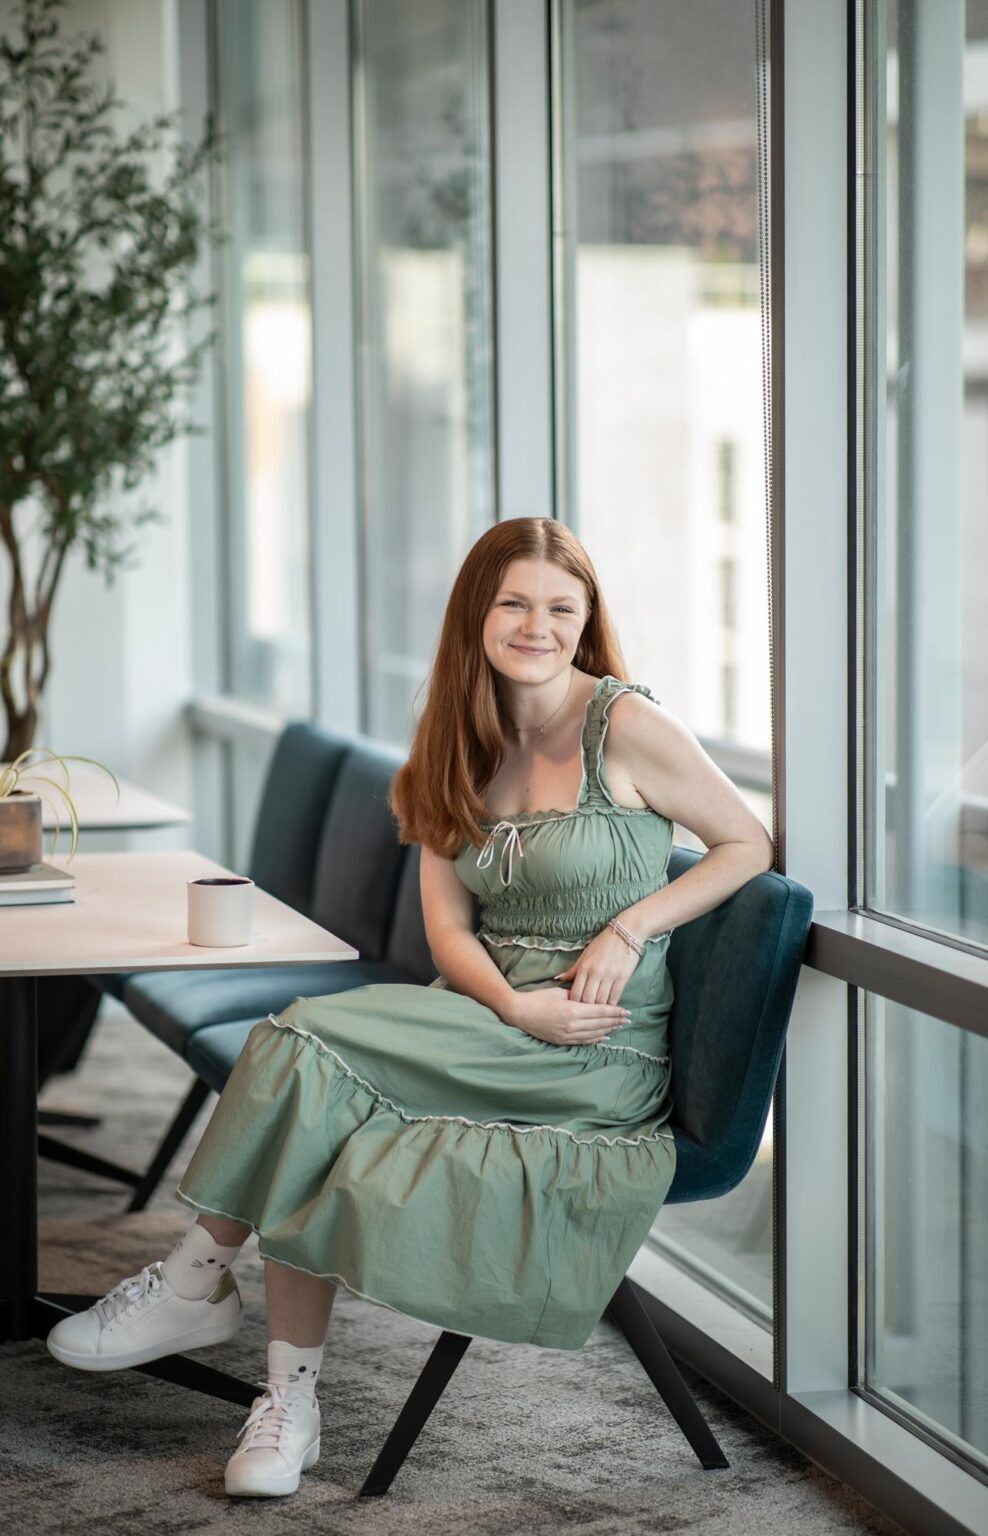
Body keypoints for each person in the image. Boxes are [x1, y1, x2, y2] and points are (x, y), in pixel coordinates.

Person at [46, 517, 774, 1498]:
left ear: (586, 620)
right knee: (310, 1077)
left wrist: (630, 928)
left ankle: (194, 1281)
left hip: (596, 1049)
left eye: (563, 608)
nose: (538, 626)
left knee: (302, 1039)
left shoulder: (627, 727)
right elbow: (449, 939)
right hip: (492, 1017)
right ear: (476, 612)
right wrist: (513, 1007)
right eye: (514, 602)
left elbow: (746, 846)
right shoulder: (449, 749)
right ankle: (287, 1404)